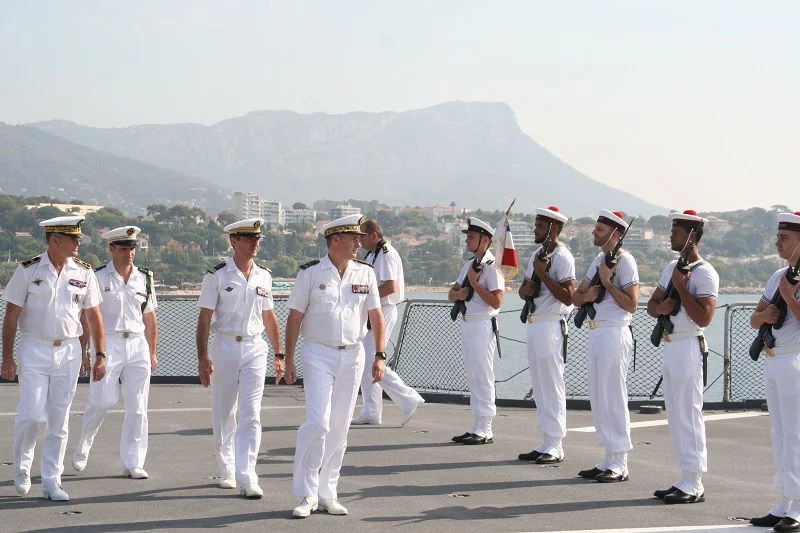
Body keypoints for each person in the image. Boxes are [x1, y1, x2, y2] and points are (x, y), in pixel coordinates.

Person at [284, 214, 386, 518]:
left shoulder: (365, 273)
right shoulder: (310, 273)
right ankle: (307, 493)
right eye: (354, 239)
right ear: (336, 239)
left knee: (340, 426)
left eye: (360, 239)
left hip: (353, 354)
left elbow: (376, 316)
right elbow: (294, 318)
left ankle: (328, 492)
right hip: (318, 352)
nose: (359, 244)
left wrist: (380, 355)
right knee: (318, 422)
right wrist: (288, 359)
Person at [1, 216, 105, 501]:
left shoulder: (84, 272)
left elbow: (94, 317)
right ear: (55, 240)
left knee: (59, 419)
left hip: (69, 351)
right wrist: (7, 357)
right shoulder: (28, 270)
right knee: (33, 414)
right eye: (73, 238)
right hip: (35, 348)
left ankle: (51, 480)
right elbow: (11, 316)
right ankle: (22, 469)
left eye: (79, 238)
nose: (78, 243)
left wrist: (98, 354)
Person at [196, 218, 283, 499]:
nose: (255, 243)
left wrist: (279, 353)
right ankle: (227, 469)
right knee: (225, 412)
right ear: (234, 241)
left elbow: (269, 317)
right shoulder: (217, 276)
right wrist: (202, 356)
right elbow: (205, 318)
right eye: (249, 238)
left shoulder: (264, 276)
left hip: (255, 347)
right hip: (225, 346)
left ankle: (248, 475)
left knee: (252, 413)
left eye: (257, 239)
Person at [71, 226, 159, 479]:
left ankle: (134, 462)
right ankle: (85, 443)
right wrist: (83, 351)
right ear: (111, 249)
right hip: (108, 344)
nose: (129, 253)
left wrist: (152, 352)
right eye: (123, 248)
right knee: (101, 400)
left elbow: (150, 318)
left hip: (137, 344)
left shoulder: (144, 278)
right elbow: (87, 318)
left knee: (138, 408)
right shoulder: (97, 277)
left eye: (132, 248)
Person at [647, 210, 718, 504]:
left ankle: (695, 481)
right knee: (676, 413)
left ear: (691, 236)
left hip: (689, 343)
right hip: (671, 343)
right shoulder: (671, 267)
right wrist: (660, 308)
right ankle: (685, 476)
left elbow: (704, 317)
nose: (670, 236)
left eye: (675, 232)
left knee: (689, 412)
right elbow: (651, 305)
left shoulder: (705, 272)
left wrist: (680, 288)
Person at [573, 210, 639, 483]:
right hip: (597, 332)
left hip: (614, 332)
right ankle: (608, 457)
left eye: (599, 229)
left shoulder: (625, 261)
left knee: (614, 396)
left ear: (615, 233)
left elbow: (632, 304)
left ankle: (620, 462)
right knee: (599, 398)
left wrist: (608, 283)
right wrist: (590, 292)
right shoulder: (600, 260)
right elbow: (577, 297)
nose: (594, 232)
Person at [748, 211, 800, 532]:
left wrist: (789, 299)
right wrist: (766, 315)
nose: (777, 243)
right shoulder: (779, 275)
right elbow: (754, 319)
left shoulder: (788, 283)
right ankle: (785, 501)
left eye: (784, 238)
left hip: (796, 358)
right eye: (778, 237)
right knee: (780, 434)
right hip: (774, 358)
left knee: (796, 433)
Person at [351, 219, 425, 427]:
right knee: (366, 360)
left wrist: (366, 299)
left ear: (374, 236)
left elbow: (391, 286)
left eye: (362, 237)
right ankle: (371, 410)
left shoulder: (386, 254)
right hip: (375, 310)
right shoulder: (373, 254)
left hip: (383, 310)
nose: (359, 241)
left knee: (372, 360)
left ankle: (409, 399)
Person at [517, 206, 575, 464]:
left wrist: (542, 274)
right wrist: (526, 290)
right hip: (534, 322)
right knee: (539, 385)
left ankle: (556, 443)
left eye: (540, 226)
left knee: (552, 384)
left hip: (551, 324)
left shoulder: (563, 256)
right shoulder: (536, 255)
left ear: (554, 228)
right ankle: (546, 439)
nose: (535, 229)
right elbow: (523, 290)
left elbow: (568, 296)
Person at [448, 217, 505, 446]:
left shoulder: (491, 266)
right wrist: (459, 294)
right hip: (469, 322)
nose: (467, 241)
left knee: (483, 375)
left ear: (485, 240)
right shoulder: (469, 265)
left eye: (471, 237)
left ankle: (486, 427)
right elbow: (452, 294)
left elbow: (497, 301)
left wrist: (475, 285)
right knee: (474, 375)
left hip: (483, 323)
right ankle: (477, 424)